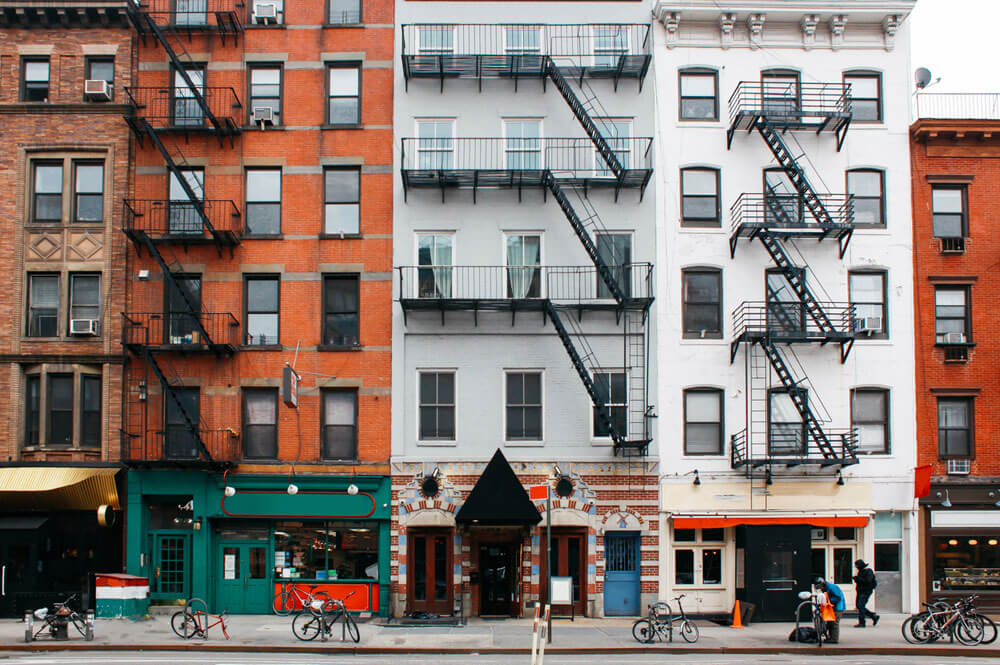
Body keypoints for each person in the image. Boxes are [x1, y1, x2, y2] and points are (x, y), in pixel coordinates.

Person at [814, 577, 845, 644]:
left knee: (834, 623)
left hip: (838, 608)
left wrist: (827, 601)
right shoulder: (825, 588)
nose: (820, 589)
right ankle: (831, 637)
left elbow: (838, 597)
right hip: (831, 607)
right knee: (830, 623)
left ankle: (834, 639)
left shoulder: (832, 587)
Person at [853, 559, 880, 627]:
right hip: (860, 591)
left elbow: (867, 581)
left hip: (866, 591)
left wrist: (858, 579)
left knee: (861, 606)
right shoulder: (860, 571)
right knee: (859, 606)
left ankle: (862, 622)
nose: (857, 567)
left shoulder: (868, 571)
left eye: (857, 566)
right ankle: (873, 616)